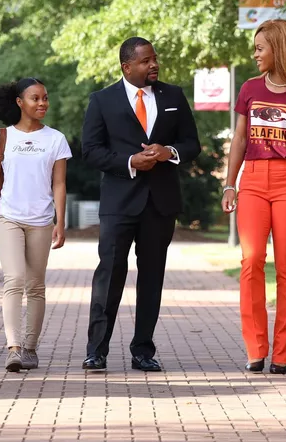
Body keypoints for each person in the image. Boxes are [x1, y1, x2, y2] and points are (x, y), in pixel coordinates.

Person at [82, 37, 201, 372]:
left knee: (152, 277)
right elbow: (90, 151)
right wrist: (131, 161)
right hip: (119, 203)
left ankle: (143, 351)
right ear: (127, 67)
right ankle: (96, 350)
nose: (154, 65)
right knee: (109, 275)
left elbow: (192, 144)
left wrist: (170, 152)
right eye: (146, 61)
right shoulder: (102, 100)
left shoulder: (173, 96)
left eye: (155, 59)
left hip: (160, 203)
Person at [221, 19, 286, 375]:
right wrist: (229, 183)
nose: (255, 55)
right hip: (252, 178)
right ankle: (255, 348)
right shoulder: (249, 88)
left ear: (279, 50)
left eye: (260, 48)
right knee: (251, 260)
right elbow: (239, 140)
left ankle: (282, 354)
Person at [0, 78, 71, 372]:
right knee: (13, 280)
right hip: (8, 218)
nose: (42, 104)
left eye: (45, 98)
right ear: (19, 102)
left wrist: (60, 222)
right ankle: (13, 348)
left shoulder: (55, 139)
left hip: (41, 221)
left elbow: (59, 182)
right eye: (35, 98)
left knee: (36, 286)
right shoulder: (0, 137)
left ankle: (30, 348)